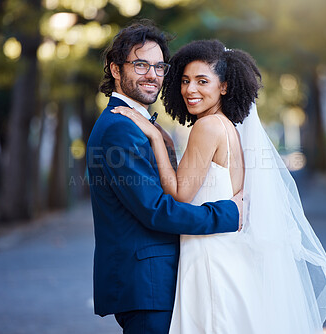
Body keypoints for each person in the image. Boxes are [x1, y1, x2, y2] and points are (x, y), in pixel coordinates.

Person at [114, 39, 326, 333]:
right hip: (226, 251)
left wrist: (155, 139)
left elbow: (180, 194)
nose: (190, 90)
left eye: (202, 81)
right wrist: (167, 143)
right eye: (185, 80)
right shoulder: (227, 126)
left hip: (209, 256)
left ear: (224, 87)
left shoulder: (207, 127)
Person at [86, 23, 243, 334]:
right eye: (141, 64)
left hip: (158, 282)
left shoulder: (138, 124)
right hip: (147, 286)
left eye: (159, 66)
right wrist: (229, 214)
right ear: (116, 70)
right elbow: (156, 209)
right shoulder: (120, 128)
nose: (152, 74)